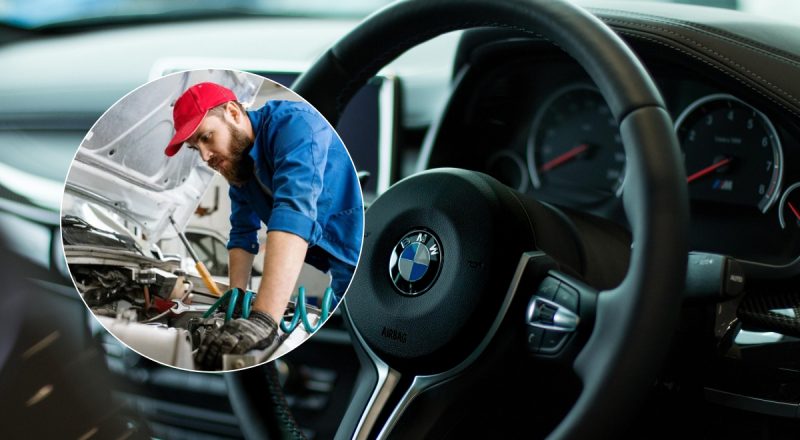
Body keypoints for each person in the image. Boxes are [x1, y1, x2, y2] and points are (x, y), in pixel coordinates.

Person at [163, 81, 363, 370]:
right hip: (332, 261)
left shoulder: (296, 124)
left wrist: (263, 320)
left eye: (207, 137)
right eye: (196, 149)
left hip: (360, 252)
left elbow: (293, 211)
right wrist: (236, 298)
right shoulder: (240, 165)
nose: (205, 156)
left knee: (350, 354)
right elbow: (242, 233)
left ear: (232, 112)